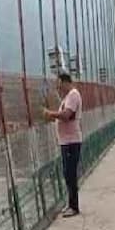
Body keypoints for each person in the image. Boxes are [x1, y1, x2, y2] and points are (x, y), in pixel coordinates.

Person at [43, 72, 82, 218]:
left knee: (70, 174)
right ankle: (71, 204)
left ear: (66, 82)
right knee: (67, 173)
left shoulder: (73, 95)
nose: (58, 87)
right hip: (67, 141)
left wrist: (50, 114)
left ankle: (74, 206)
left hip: (71, 141)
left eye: (59, 84)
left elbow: (66, 115)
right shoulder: (67, 97)